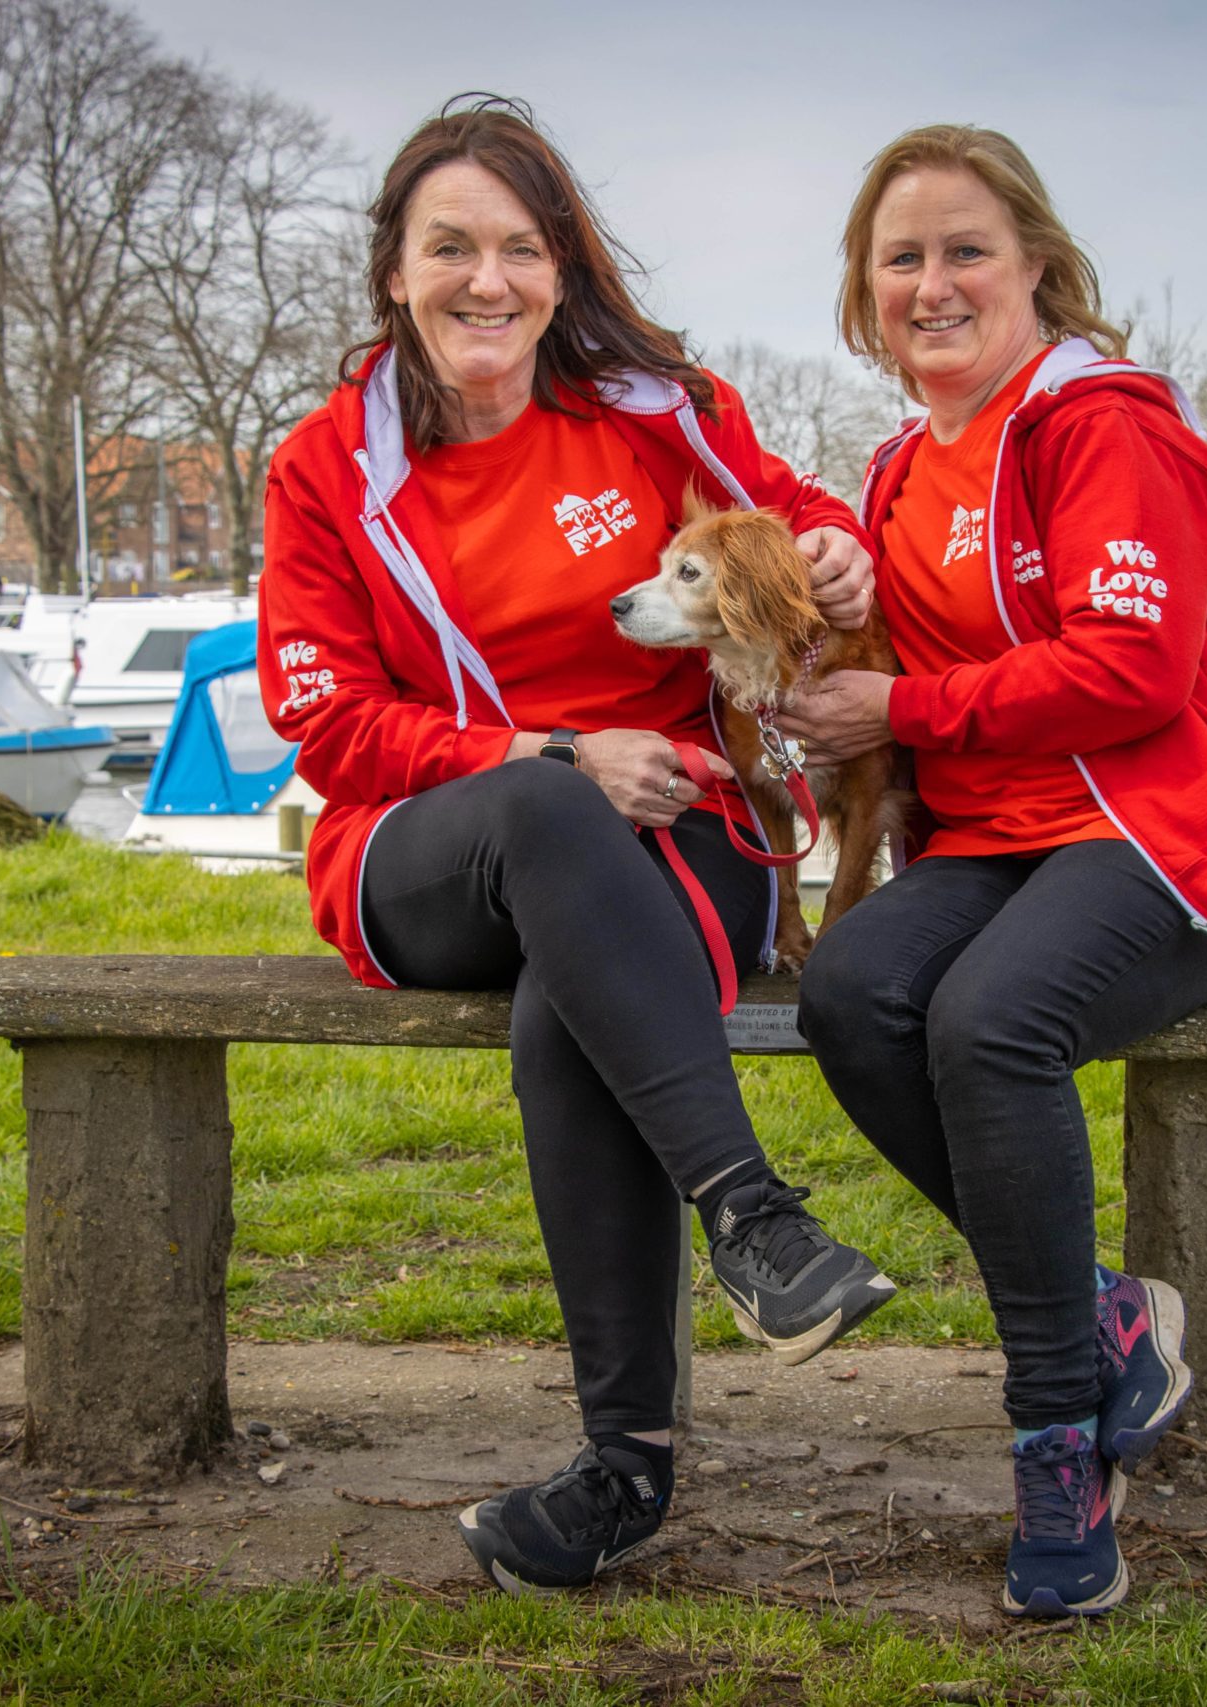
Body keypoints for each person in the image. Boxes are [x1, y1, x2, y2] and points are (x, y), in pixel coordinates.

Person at [256, 97, 896, 1596]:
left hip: (683, 840)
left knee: (578, 999)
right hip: (434, 847)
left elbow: (787, 517)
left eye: (522, 251)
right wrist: (550, 752)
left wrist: (832, 544)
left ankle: (624, 1475)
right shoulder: (324, 469)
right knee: (547, 815)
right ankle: (754, 1215)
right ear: (395, 273)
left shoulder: (654, 409)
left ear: (563, 272)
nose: (490, 282)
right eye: (451, 249)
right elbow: (325, 721)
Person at [781, 125, 1207, 1618]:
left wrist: (903, 710)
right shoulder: (895, 469)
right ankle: (1103, 1325)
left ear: (1036, 270)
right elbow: (874, 661)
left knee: (987, 1023)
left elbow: (1136, 673)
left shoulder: (1103, 425)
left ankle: (1056, 1437)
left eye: (967, 253)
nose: (933, 285)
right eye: (903, 258)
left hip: (1173, 832)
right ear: (865, 289)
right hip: (1001, 835)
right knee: (857, 992)